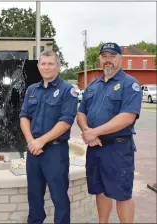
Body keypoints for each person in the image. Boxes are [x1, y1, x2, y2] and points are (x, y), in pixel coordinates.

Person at [77, 42, 142, 223]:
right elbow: (81, 112)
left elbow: (127, 117)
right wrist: (87, 131)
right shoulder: (92, 86)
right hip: (95, 147)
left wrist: (93, 132)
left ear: (120, 59)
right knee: (101, 191)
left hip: (118, 149)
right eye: (104, 57)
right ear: (99, 59)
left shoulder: (130, 84)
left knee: (122, 194)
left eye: (112, 56)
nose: (108, 61)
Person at [20, 50, 78, 224]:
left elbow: (66, 121)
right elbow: (24, 116)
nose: (46, 67)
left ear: (58, 66)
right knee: (34, 196)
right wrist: (31, 141)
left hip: (55, 151)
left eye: (50, 63)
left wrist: (41, 141)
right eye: (43, 63)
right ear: (38, 66)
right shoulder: (32, 90)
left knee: (59, 197)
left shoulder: (68, 90)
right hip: (34, 151)